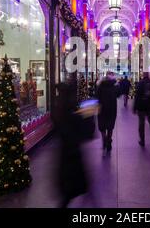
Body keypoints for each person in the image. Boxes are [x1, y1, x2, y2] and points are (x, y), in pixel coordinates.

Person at [55, 76, 94, 208]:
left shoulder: (60, 110)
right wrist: (88, 115)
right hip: (72, 158)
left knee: (69, 193)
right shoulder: (69, 114)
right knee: (72, 191)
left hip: (67, 157)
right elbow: (86, 132)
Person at [133, 72, 150, 153]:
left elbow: (136, 96)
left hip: (142, 108)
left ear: (143, 75)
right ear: (149, 75)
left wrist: (134, 107)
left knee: (141, 124)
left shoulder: (140, 84)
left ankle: (142, 141)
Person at [96, 71, 120, 155]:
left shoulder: (100, 86)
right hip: (112, 109)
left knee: (102, 126)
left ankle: (104, 139)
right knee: (110, 126)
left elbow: (97, 96)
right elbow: (118, 94)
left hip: (102, 109)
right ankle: (109, 140)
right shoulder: (114, 86)